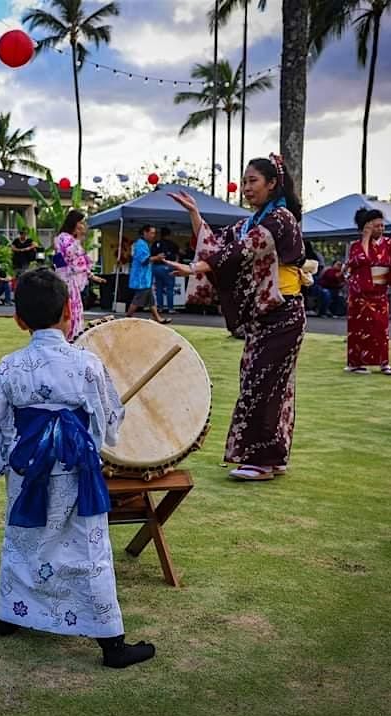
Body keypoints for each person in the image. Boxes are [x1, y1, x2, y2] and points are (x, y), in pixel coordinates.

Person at [0, 268, 155, 669]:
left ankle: (11, 617)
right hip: (76, 470)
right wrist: (101, 433)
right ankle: (112, 644)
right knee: (86, 548)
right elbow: (108, 418)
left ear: (19, 319)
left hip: (28, 469)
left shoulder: (10, 367)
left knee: (24, 538)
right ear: (70, 311)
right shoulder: (86, 365)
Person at [168, 154, 306, 482]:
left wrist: (198, 267)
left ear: (273, 184)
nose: (246, 188)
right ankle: (274, 455)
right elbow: (218, 242)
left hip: (284, 311)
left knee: (263, 383)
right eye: (244, 182)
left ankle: (261, 460)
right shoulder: (250, 221)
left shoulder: (281, 218)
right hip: (266, 316)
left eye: (252, 181)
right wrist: (195, 215)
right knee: (267, 383)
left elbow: (246, 249)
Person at [345, 208, 391, 375]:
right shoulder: (356, 246)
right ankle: (355, 363)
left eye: (382, 225)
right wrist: (365, 238)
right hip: (360, 295)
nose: (380, 229)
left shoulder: (390, 244)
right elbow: (360, 260)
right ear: (366, 226)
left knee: (381, 328)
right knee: (359, 328)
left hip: (379, 292)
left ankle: (383, 362)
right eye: (376, 226)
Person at [53, 210, 105, 340]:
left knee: (72, 308)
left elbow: (77, 261)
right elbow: (72, 260)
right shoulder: (66, 239)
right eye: (81, 222)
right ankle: (70, 336)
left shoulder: (65, 238)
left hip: (67, 279)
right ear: (74, 223)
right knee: (70, 309)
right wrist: (78, 239)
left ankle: (71, 336)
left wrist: (90, 275)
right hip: (67, 280)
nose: (83, 225)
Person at [126, 225, 171, 324]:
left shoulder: (143, 244)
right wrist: (157, 257)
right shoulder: (141, 244)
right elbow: (144, 260)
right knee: (138, 299)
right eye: (152, 233)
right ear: (145, 233)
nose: (153, 235)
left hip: (145, 277)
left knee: (150, 299)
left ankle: (157, 318)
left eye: (154, 233)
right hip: (141, 278)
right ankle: (128, 316)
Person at [151, 228, 177, 311]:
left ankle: (160, 308)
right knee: (169, 288)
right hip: (167, 267)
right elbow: (179, 254)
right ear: (169, 235)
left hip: (156, 267)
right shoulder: (172, 244)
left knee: (159, 288)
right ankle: (170, 308)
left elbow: (151, 255)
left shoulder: (156, 243)